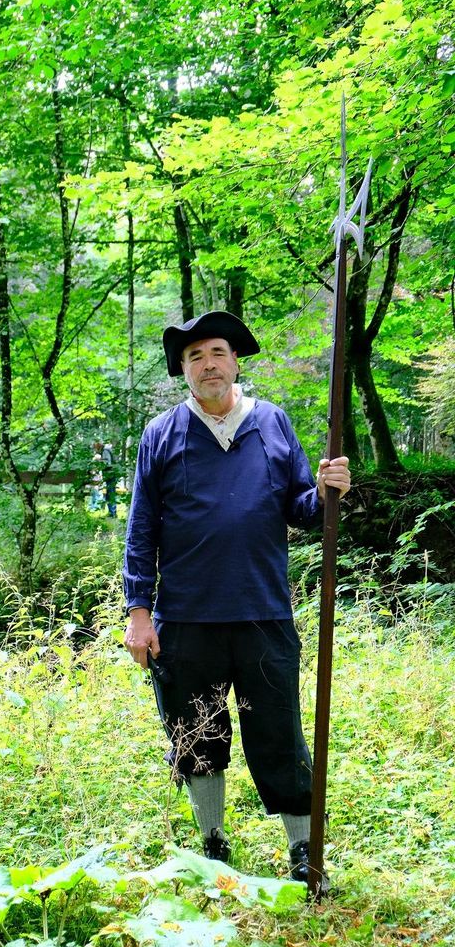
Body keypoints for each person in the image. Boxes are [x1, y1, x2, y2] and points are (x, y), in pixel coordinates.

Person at [123, 310, 350, 889]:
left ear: (235, 362)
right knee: (195, 733)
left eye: (217, 353)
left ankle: (304, 852)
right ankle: (213, 844)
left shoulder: (272, 422)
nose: (208, 365)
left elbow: (301, 508)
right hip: (185, 618)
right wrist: (139, 614)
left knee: (278, 733)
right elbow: (142, 528)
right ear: (183, 370)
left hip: (263, 611)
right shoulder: (161, 434)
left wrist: (327, 490)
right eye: (195, 357)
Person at [95, 441, 118, 518]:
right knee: (109, 493)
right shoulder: (106, 450)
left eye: (96, 447)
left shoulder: (105, 451)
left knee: (111, 493)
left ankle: (113, 513)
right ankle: (111, 512)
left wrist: (99, 460)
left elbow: (107, 463)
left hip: (110, 474)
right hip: (109, 474)